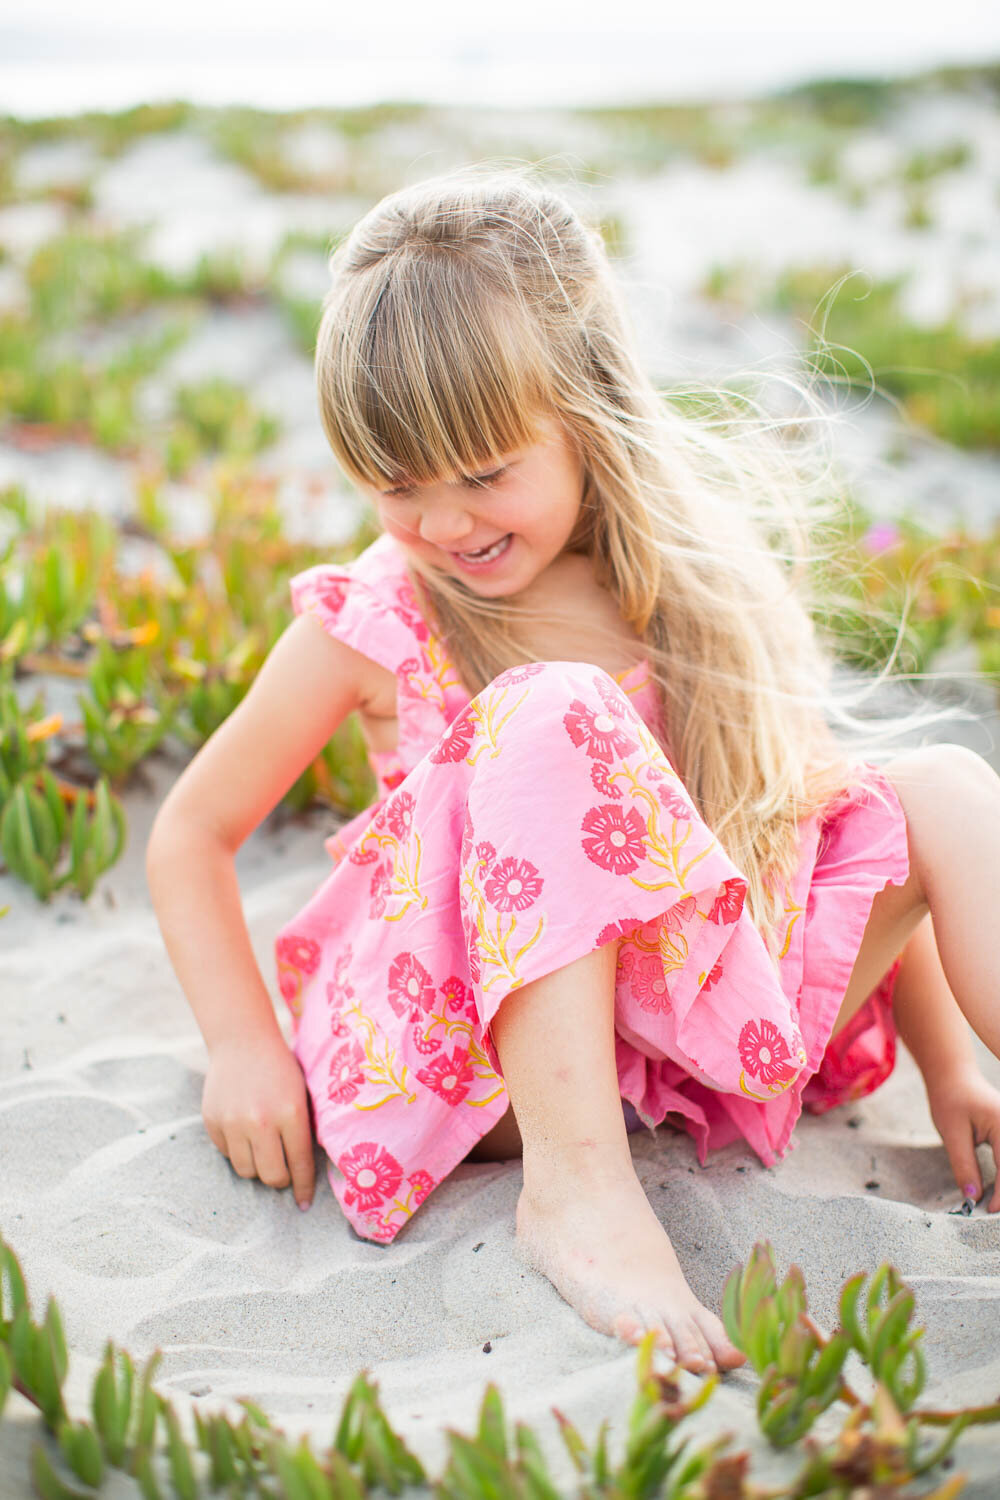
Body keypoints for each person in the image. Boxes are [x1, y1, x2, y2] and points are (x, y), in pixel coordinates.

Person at [146, 166, 1000, 1377]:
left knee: (945, 789)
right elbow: (190, 834)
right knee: (552, 711)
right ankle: (577, 1193)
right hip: (467, 1044)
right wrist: (239, 1047)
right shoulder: (380, 613)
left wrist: (947, 1065)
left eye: (482, 473)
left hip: (649, 1036)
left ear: (587, 412)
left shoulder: (688, 589)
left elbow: (825, 840)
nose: (441, 525)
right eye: (396, 486)